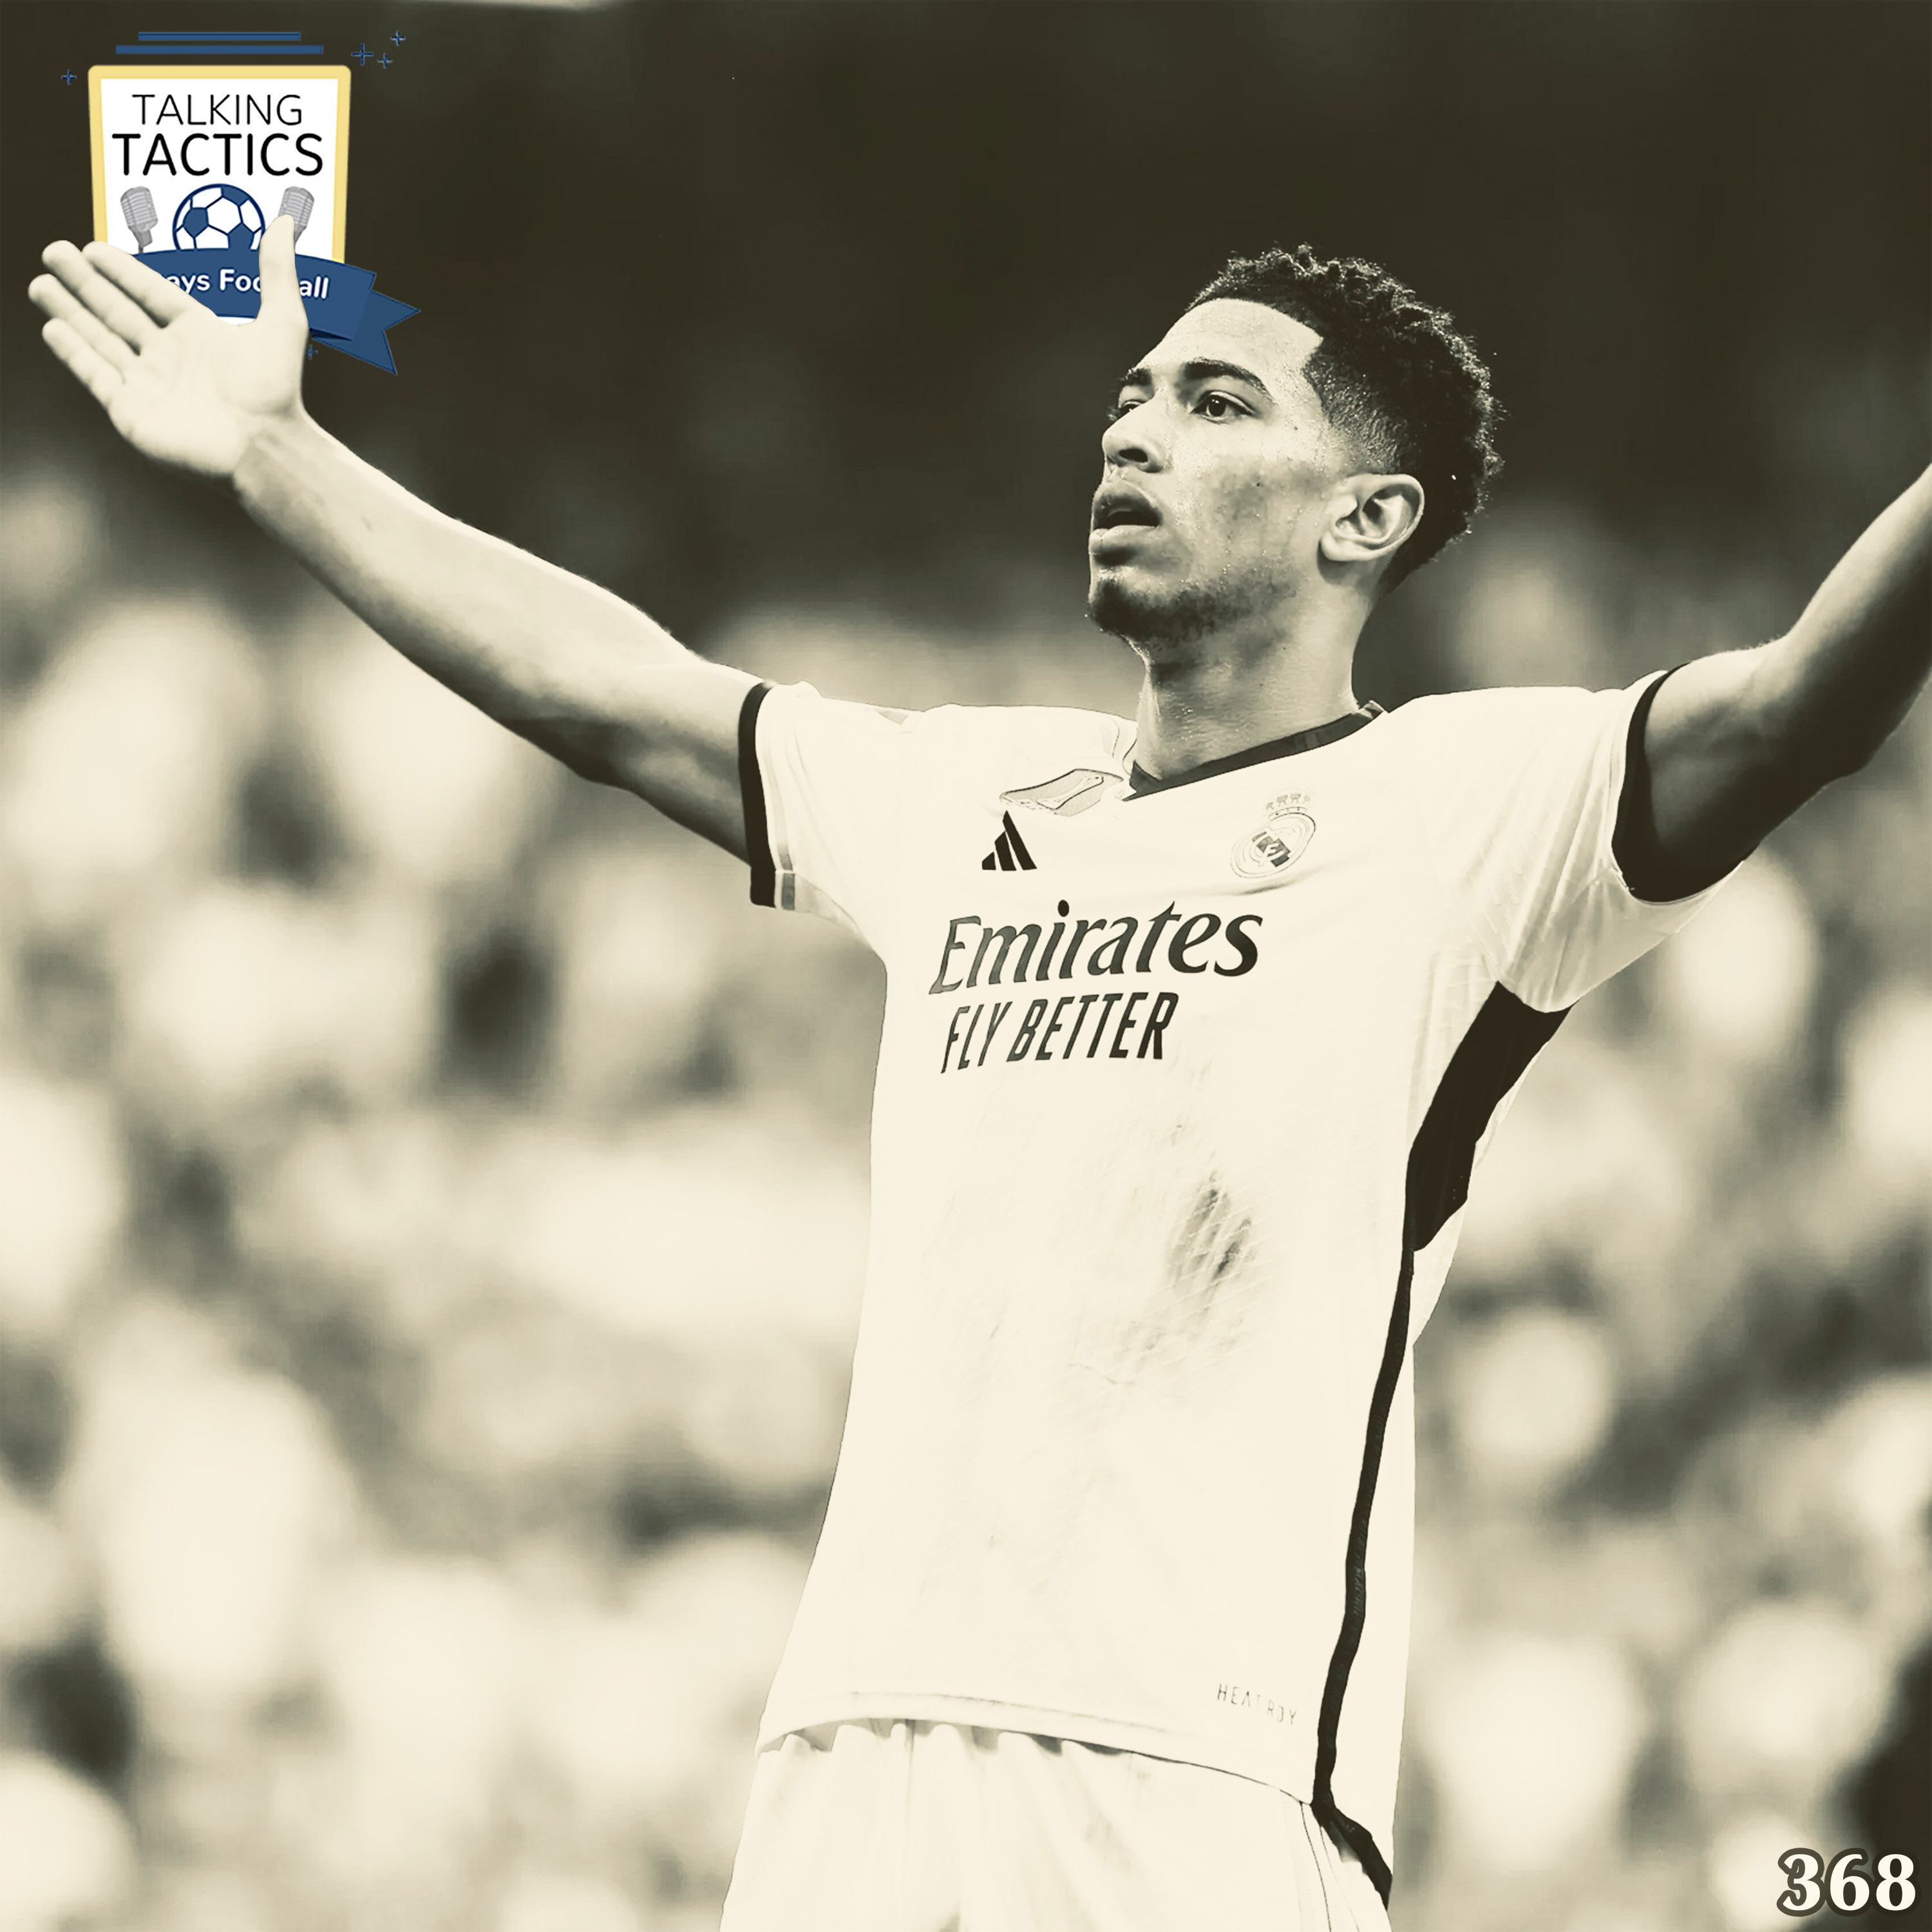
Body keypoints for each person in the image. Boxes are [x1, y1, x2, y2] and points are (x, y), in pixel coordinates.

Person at [29, 225, 1931, 1932]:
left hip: (1193, 1777)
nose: (1135, 434)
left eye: (1216, 403)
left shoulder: (1465, 810)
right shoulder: (969, 798)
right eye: (1130, 399)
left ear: (1367, 516)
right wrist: (276, 451)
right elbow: (605, 690)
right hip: (851, 1763)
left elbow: (1796, 708)